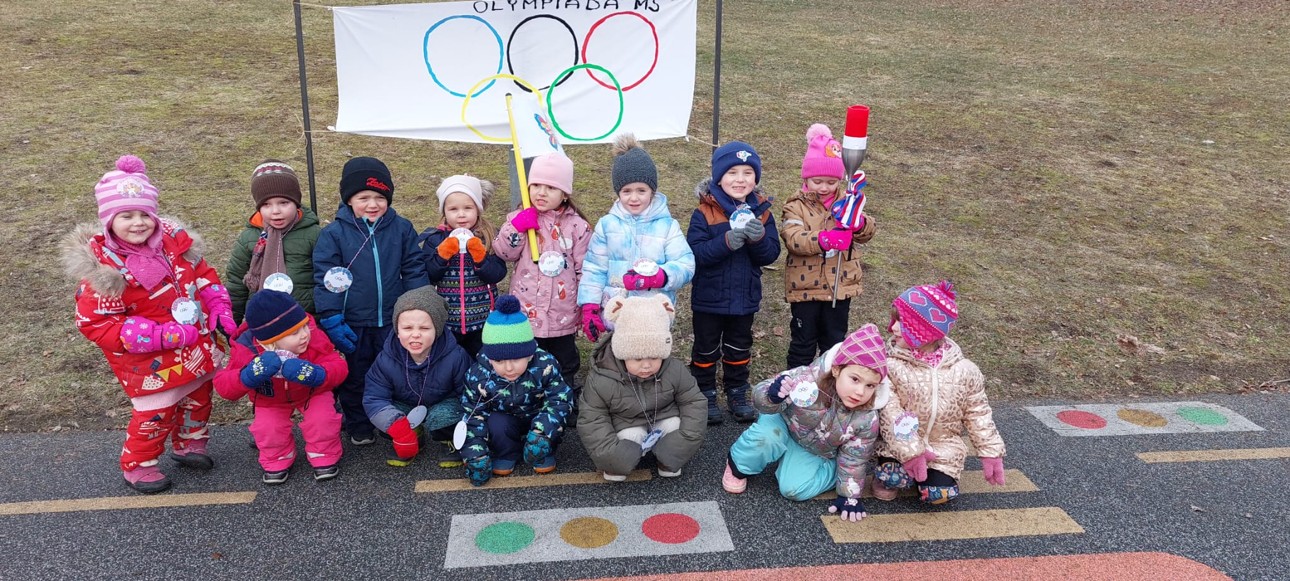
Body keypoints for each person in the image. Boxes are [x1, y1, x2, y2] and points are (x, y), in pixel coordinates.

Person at [62, 155, 235, 493]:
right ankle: (139, 464)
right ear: (109, 220)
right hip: (149, 362)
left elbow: (203, 275)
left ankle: (191, 442)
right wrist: (158, 335)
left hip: (195, 346)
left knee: (199, 396)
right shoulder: (104, 271)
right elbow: (96, 323)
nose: (138, 223)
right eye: (126, 216)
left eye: (144, 214)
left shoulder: (175, 246)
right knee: (155, 413)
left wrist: (217, 303)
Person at [312, 156, 430, 446]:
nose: (372, 204)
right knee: (355, 376)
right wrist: (331, 316)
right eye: (363, 198)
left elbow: (414, 268)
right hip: (353, 322)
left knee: (396, 372)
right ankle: (359, 423)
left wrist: (419, 306)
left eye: (380, 197)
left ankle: (394, 421)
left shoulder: (402, 229)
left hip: (392, 320)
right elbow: (327, 278)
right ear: (349, 200)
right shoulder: (334, 235)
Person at [722, 324, 891, 523]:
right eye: (855, 379)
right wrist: (772, 395)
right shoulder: (806, 379)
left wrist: (849, 494)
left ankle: (832, 470)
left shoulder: (867, 418)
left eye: (870, 385)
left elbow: (854, 458)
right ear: (836, 369)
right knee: (767, 438)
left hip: (815, 449)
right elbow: (760, 400)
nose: (860, 392)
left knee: (793, 489)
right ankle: (738, 465)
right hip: (783, 424)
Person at [872, 281, 1007, 504]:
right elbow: (890, 413)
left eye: (901, 322)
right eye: (894, 320)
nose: (892, 327)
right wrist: (911, 452)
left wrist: (990, 451)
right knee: (893, 477)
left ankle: (930, 476)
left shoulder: (965, 371)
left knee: (939, 495)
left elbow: (978, 413)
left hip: (943, 448)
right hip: (898, 446)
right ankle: (891, 471)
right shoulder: (891, 365)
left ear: (924, 329)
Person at [686, 141, 781, 424]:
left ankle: (737, 390)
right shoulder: (704, 212)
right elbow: (695, 253)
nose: (740, 180)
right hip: (709, 298)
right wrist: (725, 241)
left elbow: (770, 254)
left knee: (739, 346)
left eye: (747, 173)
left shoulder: (762, 212)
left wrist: (758, 238)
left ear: (756, 178)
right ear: (718, 177)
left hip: (744, 297)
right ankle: (704, 391)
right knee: (705, 348)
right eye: (732, 172)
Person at [214, 290, 346, 484]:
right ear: (271, 341)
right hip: (270, 399)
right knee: (268, 428)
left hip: (311, 392)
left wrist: (317, 374)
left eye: (304, 326)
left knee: (323, 419)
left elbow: (338, 366)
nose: (304, 335)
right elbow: (223, 386)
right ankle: (278, 457)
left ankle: (323, 453)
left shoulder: (313, 337)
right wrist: (248, 375)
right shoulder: (247, 349)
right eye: (294, 333)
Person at [579, 295, 708, 481]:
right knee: (631, 435)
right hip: (626, 424)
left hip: (661, 418)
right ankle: (622, 460)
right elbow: (592, 418)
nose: (646, 365)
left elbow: (694, 402)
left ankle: (666, 458)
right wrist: (613, 457)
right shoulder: (603, 377)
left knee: (674, 424)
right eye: (638, 359)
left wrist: (678, 448)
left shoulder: (674, 370)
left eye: (654, 357)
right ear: (622, 354)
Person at [492, 152, 592, 392]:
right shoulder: (518, 219)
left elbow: (585, 268)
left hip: (563, 313)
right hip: (528, 311)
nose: (541, 192)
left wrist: (585, 304)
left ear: (565, 193)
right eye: (536, 185)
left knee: (565, 360)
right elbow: (504, 253)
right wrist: (516, 228)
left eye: (551, 187)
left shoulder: (577, 226)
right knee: (528, 360)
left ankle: (563, 397)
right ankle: (530, 398)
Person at [578, 134, 694, 339]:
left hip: (654, 314)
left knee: (650, 355)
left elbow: (685, 264)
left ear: (652, 191)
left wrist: (661, 276)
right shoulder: (606, 225)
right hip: (617, 312)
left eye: (641, 190)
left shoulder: (667, 226)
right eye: (626, 191)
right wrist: (590, 305)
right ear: (618, 192)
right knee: (616, 354)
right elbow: (594, 268)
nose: (634, 198)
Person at [781, 124, 877, 368]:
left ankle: (830, 385)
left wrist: (858, 224)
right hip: (806, 288)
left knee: (834, 342)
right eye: (817, 181)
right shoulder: (795, 206)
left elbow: (868, 231)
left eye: (831, 182)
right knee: (803, 342)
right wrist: (824, 239)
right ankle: (795, 383)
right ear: (805, 178)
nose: (824, 187)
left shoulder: (848, 201)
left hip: (839, 288)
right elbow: (793, 238)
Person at [459, 295, 575, 486]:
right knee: (496, 422)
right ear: (490, 358)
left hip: (537, 421)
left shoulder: (545, 365)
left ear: (529, 354)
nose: (509, 368)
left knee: (552, 420)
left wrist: (542, 431)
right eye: (499, 361)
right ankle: (507, 453)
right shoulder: (478, 374)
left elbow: (560, 400)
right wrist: (475, 455)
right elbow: (472, 415)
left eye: (516, 359)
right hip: (505, 424)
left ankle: (542, 449)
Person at [364, 287, 472, 468]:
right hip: (405, 404)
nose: (415, 334)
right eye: (407, 328)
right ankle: (413, 435)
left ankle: (449, 440)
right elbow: (374, 397)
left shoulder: (456, 356)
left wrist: (471, 431)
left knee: (442, 416)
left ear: (437, 329)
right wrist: (398, 428)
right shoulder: (385, 359)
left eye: (424, 328)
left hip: (444, 403)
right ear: (397, 330)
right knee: (387, 417)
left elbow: (469, 394)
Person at [418, 175, 507, 357]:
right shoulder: (434, 239)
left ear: (478, 209)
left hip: (483, 319)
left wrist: (480, 258)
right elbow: (429, 275)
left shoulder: (488, 236)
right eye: (453, 209)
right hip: (448, 320)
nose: (461, 214)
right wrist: (442, 256)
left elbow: (498, 273)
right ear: (444, 211)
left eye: (468, 208)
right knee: (451, 360)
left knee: (482, 360)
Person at [225, 160, 321, 323]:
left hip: (305, 320)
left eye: (284, 203)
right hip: (263, 321)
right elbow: (236, 282)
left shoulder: (314, 234)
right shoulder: (249, 238)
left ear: (296, 203)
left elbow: (323, 278)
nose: (275, 211)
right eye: (266, 204)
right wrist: (233, 319)